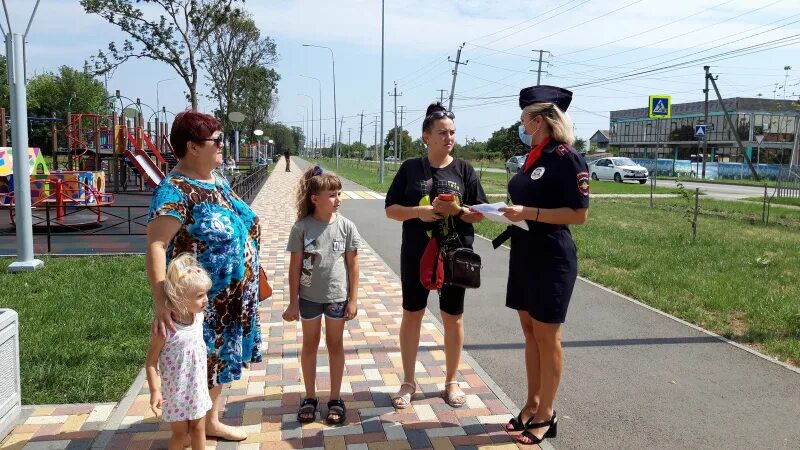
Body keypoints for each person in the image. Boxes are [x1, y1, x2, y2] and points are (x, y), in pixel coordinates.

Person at [146, 110, 261, 442]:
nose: (222, 145)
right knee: (201, 365)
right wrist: (162, 300)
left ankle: (210, 421)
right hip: (200, 302)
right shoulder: (175, 190)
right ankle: (193, 428)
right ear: (192, 147)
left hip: (229, 300)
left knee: (219, 362)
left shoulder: (216, 179)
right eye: (216, 140)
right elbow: (156, 244)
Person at [496, 85, 590, 446]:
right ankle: (532, 404)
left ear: (538, 121)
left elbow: (579, 215)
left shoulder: (567, 158)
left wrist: (530, 213)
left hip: (551, 256)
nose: (521, 124)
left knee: (548, 335)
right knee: (529, 330)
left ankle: (547, 415)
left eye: (524, 118)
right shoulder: (532, 156)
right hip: (524, 252)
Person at [385, 102, 487, 409]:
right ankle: (407, 381)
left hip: (455, 255)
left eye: (453, 132)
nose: (449, 137)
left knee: (452, 318)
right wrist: (420, 212)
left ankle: (451, 381)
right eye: (442, 132)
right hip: (417, 254)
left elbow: (479, 215)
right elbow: (391, 210)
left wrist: (458, 210)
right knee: (412, 314)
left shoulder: (465, 170)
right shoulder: (410, 169)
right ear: (426, 136)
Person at [282, 165, 361, 425]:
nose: (338, 199)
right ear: (315, 199)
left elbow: (353, 265)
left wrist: (353, 299)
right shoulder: (302, 227)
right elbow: (295, 267)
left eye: (340, 193)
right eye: (332, 195)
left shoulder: (347, 227)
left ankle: (336, 398)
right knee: (310, 345)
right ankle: (310, 397)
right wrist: (293, 302)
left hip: (337, 297)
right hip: (308, 298)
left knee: (336, 346)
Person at [146, 253, 213, 450]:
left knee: (199, 430)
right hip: (176, 393)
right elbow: (150, 362)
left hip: (198, 388)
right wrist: (155, 391)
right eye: (199, 296)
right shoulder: (166, 329)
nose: (206, 300)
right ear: (179, 298)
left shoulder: (197, 318)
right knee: (180, 434)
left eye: (206, 293)